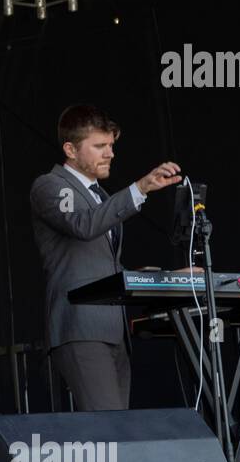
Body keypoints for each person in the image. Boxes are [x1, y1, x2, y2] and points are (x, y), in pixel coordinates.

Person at [29, 103, 180, 412]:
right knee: (110, 432)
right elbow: (83, 225)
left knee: (116, 436)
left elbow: (102, 265)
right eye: (99, 146)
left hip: (113, 329)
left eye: (111, 145)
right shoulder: (51, 186)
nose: (109, 153)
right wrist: (140, 188)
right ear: (70, 149)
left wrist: (165, 276)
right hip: (80, 327)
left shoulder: (103, 197)